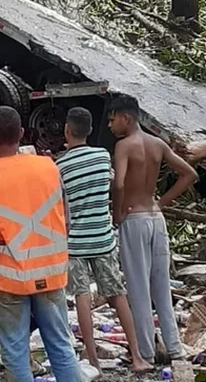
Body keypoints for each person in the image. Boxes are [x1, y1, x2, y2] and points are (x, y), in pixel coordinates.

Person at [0, 106, 80, 382]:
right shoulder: (48, 167)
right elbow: (66, 219)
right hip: (51, 274)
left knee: (15, 353)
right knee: (61, 347)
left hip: (10, 279)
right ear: (22, 133)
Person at [57, 107, 153, 373]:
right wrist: (115, 215)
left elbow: (60, 206)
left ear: (67, 130)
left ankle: (93, 362)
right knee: (117, 294)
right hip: (102, 237)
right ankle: (137, 357)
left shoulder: (60, 166)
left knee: (82, 296)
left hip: (75, 242)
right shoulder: (102, 157)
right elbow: (114, 187)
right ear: (89, 130)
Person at [108, 94, 198, 364]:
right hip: (156, 218)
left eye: (113, 120)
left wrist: (118, 213)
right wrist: (161, 202)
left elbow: (120, 184)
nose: (111, 126)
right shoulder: (157, 143)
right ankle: (174, 347)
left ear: (127, 118)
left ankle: (146, 351)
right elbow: (190, 175)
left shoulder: (124, 146)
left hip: (134, 218)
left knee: (138, 287)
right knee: (161, 286)